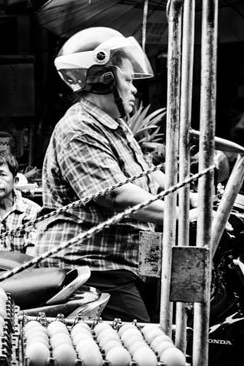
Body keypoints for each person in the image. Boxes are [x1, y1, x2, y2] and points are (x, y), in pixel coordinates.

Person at [36, 27, 176, 322]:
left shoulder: (115, 126)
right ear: (104, 81)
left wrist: (195, 193)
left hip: (126, 262)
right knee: (143, 346)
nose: (135, 88)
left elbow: (151, 177)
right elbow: (116, 194)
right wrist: (185, 216)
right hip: (92, 265)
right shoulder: (78, 127)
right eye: (127, 79)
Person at [0, 150, 41, 253]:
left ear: (15, 181)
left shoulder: (33, 212)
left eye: (2, 174)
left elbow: (31, 258)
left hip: (22, 268)